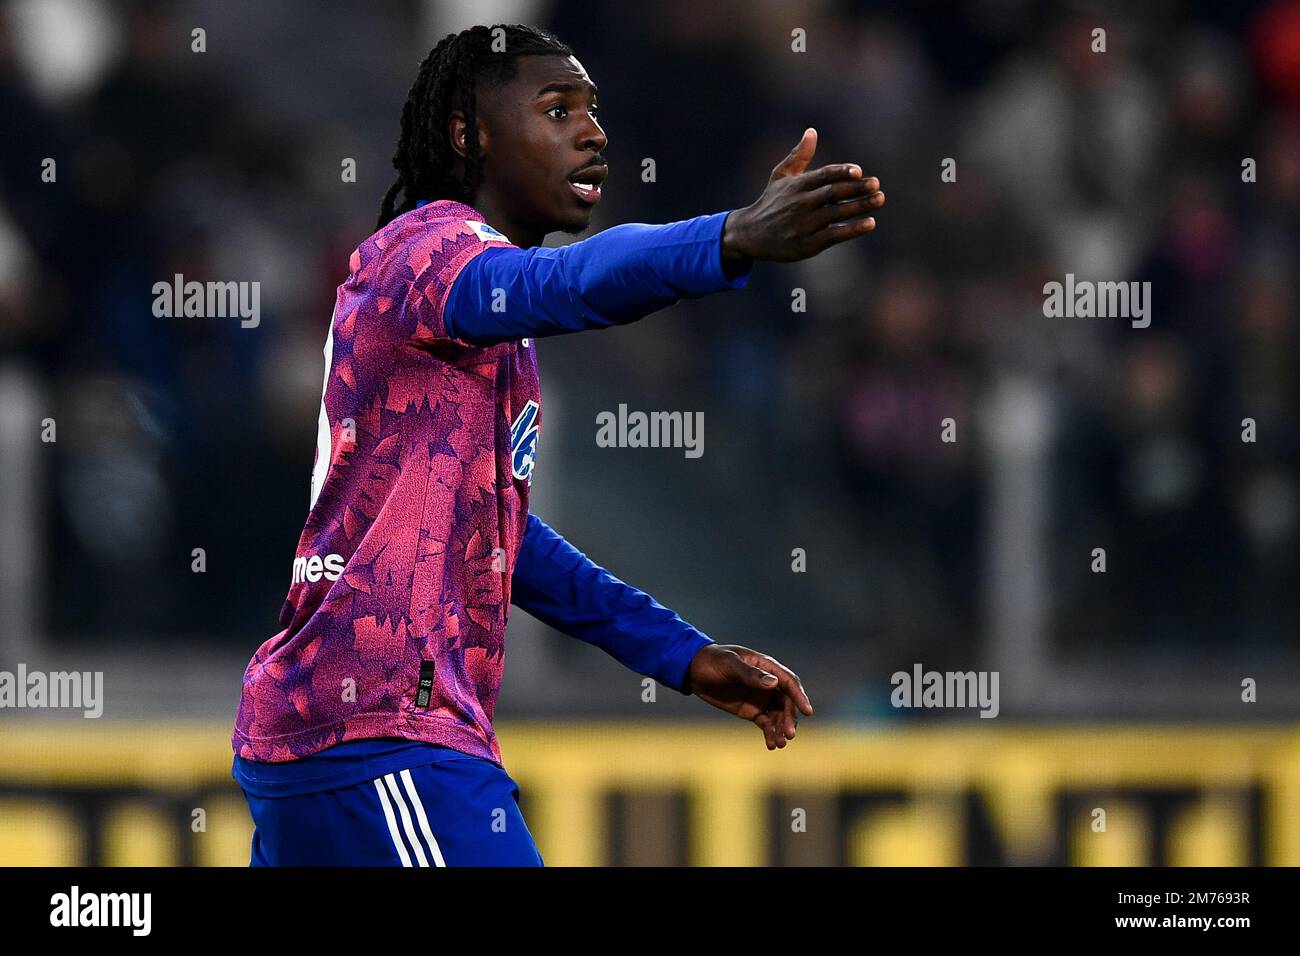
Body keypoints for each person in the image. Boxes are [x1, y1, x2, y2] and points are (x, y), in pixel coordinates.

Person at [231, 23, 884, 866]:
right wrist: (730, 236)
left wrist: (683, 655)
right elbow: (568, 281)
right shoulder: (430, 254)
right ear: (469, 133)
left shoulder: (468, 312)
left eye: (593, 110)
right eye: (556, 109)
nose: (592, 131)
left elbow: (504, 540)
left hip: (330, 728)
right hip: (383, 729)